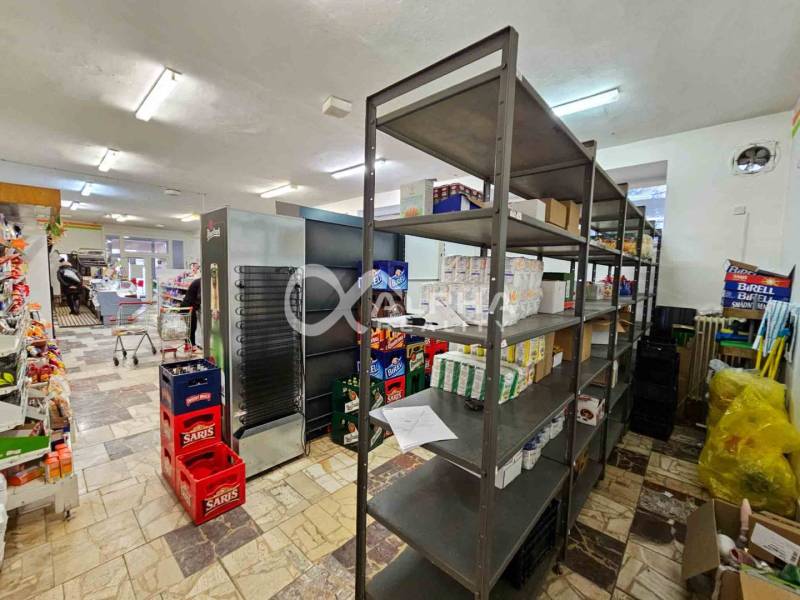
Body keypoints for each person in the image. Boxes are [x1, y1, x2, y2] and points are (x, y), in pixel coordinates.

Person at [181, 277, 201, 348]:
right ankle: (192, 345)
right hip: (188, 306)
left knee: (189, 327)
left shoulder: (198, 281)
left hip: (186, 305)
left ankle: (187, 345)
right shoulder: (201, 282)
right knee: (192, 327)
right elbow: (199, 296)